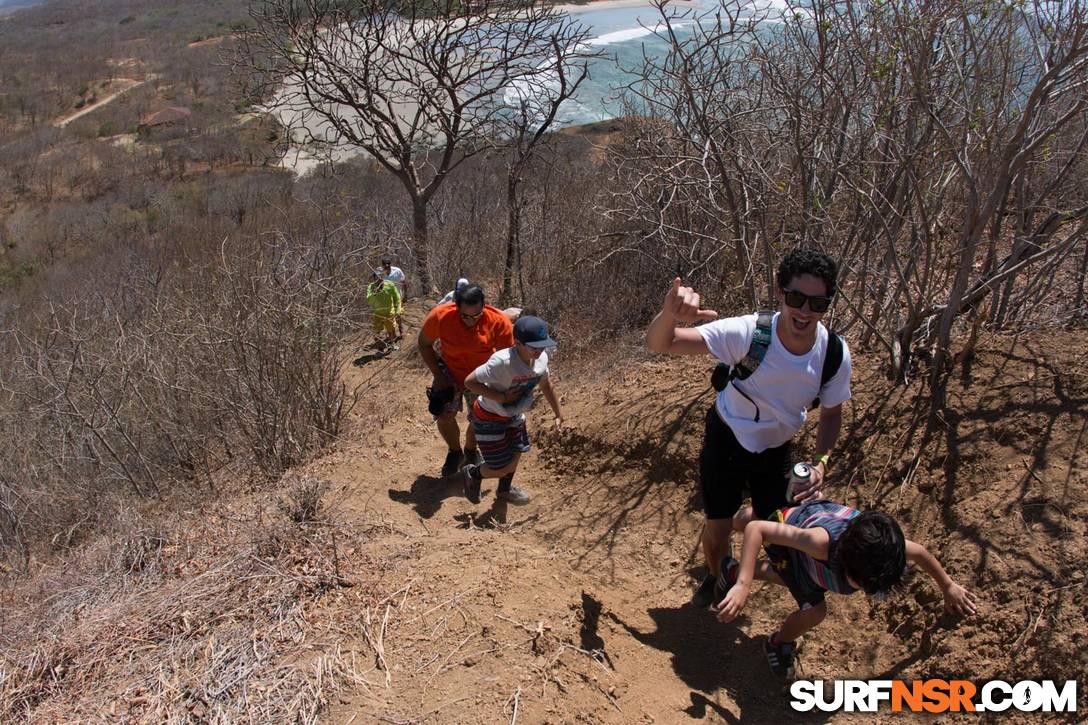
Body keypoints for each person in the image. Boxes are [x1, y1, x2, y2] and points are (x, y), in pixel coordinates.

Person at [644, 247, 852, 609]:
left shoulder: (833, 354)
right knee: (718, 528)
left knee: (778, 534)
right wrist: (668, 314)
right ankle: (717, 575)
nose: (804, 311)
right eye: (796, 298)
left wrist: (821, 461)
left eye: (817, 304)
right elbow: (662, 343)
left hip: (776, 452)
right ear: (779, 292)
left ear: (828, 304)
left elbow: (832, 414)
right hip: (727, 440)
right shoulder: (749, 333)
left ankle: (747, 520)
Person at [712, 501, 977, 679]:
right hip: (792, 536)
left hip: (811, 549)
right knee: (815, 610)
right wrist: (743, 586)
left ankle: (734, 568)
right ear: (847, 565)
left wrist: (948, 585)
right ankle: (778, 643)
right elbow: (757, 530)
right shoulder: (819, 544)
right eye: (865, 586)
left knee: (786, 576)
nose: (870, 593)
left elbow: (919, 552)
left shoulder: (887, 549)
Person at [460, 316, 564, 505]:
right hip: (489, 417)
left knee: (516, 455)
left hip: (514, 415)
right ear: (518, 343)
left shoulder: (541, 359)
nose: (540, 351)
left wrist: (558, 414)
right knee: (500, 468)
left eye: (543, 345)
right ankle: (473, 473)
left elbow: (546, 385)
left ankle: (504, 491)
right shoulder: (502, 362)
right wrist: (502, 398)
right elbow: (470, 382)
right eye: (534, 347)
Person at [417, 284, 515, 476]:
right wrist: (438, 374)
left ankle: (471, 450)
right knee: (444, 415)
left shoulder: (499, 321)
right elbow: (424, 343)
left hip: (481, 374)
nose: (470, 321)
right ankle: (455, 451)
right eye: (465, 316)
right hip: (449, 370)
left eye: (476, 316)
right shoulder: (440, 316)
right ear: (456, 306)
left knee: (481, 418)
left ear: (484, 306)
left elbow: (508, 358)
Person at [366, 270, 401, 350]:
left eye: (381, 277)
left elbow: (397, 298)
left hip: (389, 312)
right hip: (377, 313)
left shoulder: (390, 285)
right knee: (376, 331)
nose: (379, 279)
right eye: (377, 277)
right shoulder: (371, 287)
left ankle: (392, 344)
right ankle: (379, 346)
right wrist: (374, 294)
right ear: (374, 278)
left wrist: (398, 310)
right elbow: (368, 299)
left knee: (391, 330)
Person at [382, 258, 407, 337]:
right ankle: (392, 332)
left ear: (390, 264)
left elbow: (403, 282)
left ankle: (401, 328)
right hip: (386, 298)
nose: (387, 266)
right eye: (385, 265)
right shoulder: (380, 273)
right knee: (389, 315)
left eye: (388, 264)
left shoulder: (397, 271)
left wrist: (405, 295)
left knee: (398, 313)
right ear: (382, 265)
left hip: (397, 296)